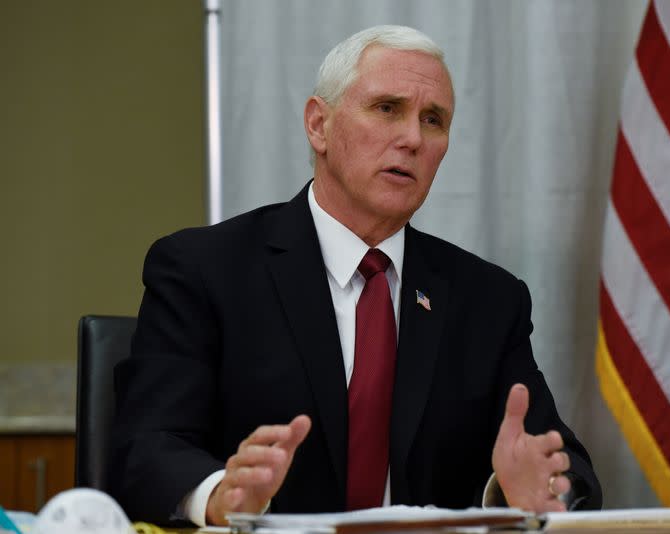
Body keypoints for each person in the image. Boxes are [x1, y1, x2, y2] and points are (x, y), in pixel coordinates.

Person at [109, 25, 602, 527]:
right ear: (319, 125)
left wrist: (523, 492)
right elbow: (147, 446)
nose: (412, 138)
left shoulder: (488, 301)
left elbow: (565, 469)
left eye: (433, 120)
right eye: (387, 108)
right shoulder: (205, 269)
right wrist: (221, 497)